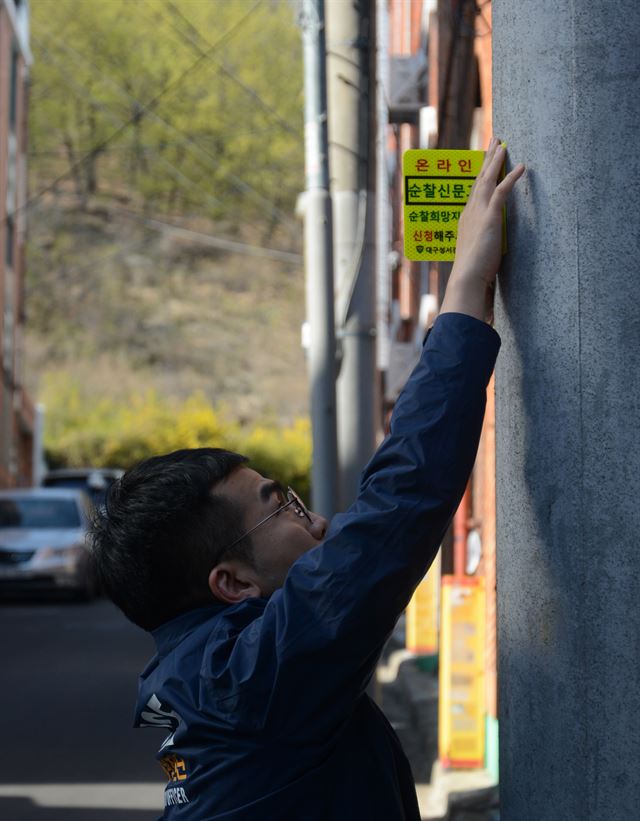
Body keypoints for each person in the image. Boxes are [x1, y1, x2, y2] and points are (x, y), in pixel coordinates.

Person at [90, 137, 524, 820]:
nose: (317, 520)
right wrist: (466, 287)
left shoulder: (201, 681)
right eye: (282, 507)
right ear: (232, 582)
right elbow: (394, 507)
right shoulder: (254, 679)